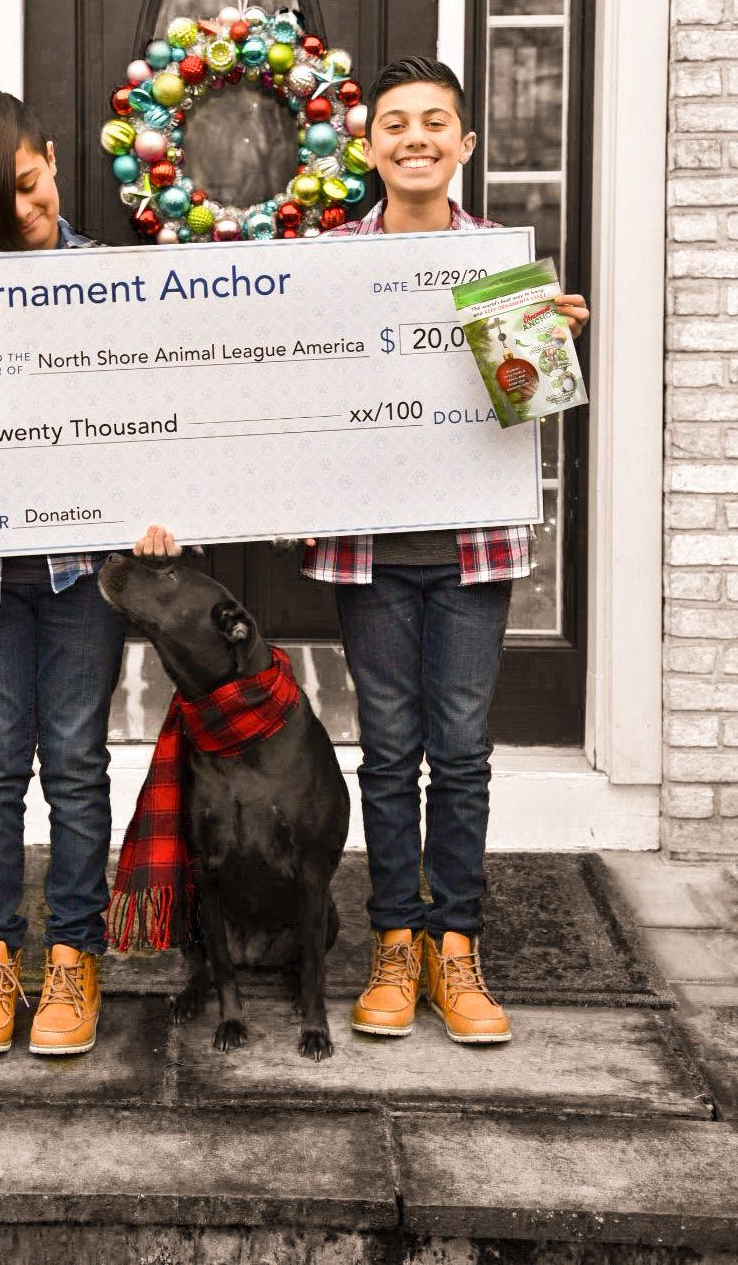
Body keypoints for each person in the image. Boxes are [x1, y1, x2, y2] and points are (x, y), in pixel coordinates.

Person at [301, 55, 589, 1045]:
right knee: (388, 751)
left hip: (473, 547)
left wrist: (550, 346)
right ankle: (393, 941)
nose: (414, 138)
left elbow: (534, 407)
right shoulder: (329, 262)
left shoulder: (504, 266)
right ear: (368, 145)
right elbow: (299, 389)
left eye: (434, 122)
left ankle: (456, 944)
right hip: (370, 547)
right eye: (394, 123)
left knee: (459, 751)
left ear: (464, 144)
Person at [0, 87, 161, 1059]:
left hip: (79, 575)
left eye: (30, 183)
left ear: (52, 159)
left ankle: (74, 958)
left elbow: (151, 426)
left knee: (79, 766)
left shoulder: (111, 288)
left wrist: (159, 510)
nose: (24, 211)